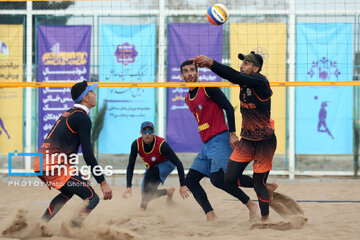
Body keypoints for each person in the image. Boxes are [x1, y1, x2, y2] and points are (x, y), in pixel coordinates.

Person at [191, 51, 278, 221]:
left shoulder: (260, 81)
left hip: (264, 141)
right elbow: (235, 77)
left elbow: (236, 77)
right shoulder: (244, 83)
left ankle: (265, 221)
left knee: (258, 184)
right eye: (242, 62)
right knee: (228, 179)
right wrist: (210, 65)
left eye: (246, 63)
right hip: (247, 140)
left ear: (256, 68)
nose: (242, 65)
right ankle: (266, 188)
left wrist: (211, 63)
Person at [180, 60, 259, 221]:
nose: (189, 73)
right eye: (186, 71)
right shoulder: (187, 99)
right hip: (207, 144)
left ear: (198, 73)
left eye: (192, 70)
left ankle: (254, 197)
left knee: (219, 179)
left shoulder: (208, 88)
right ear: (182, 76)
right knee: (191, 181)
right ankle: (211, 215)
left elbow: (229, 108)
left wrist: (232, 133)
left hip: (220, 138)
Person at [33, 80, 113, 227]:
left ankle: (39, 226)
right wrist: (103, 182)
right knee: (92, 198)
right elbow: (88, 155)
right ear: (85, 98)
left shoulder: (70, 113)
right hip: (53, 164)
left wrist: (78, 174)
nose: (94, 94)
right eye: (91, 92)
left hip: (42, 163)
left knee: (67, 192)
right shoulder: (82, 117)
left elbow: (65, 150)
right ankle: (73, 228)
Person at [122, 121, 189, 210]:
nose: (147, 134)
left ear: (153, 132)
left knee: (150, 175)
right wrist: (128, 186)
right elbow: (130, 166)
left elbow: (178, 164)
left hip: (167, 164)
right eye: (144, 131)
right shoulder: (136, 144)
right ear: (141, 132)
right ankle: (168, 192)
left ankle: (142, 209)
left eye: (150, 131)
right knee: (146, 194)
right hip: (152, 166)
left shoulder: (162, 144)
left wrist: (182, 185)